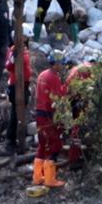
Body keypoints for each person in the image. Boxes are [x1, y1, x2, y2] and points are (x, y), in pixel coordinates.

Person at [33, 52, 69, 185]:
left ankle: (37, 177)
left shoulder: (42, 74)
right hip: (48, 115)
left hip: (39, 113)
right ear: (57, 63)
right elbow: (59, 98)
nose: (63, 66)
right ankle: (49, 179)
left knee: (42, 145)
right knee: (54, 145)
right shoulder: (53, 77)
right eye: (62, 64)